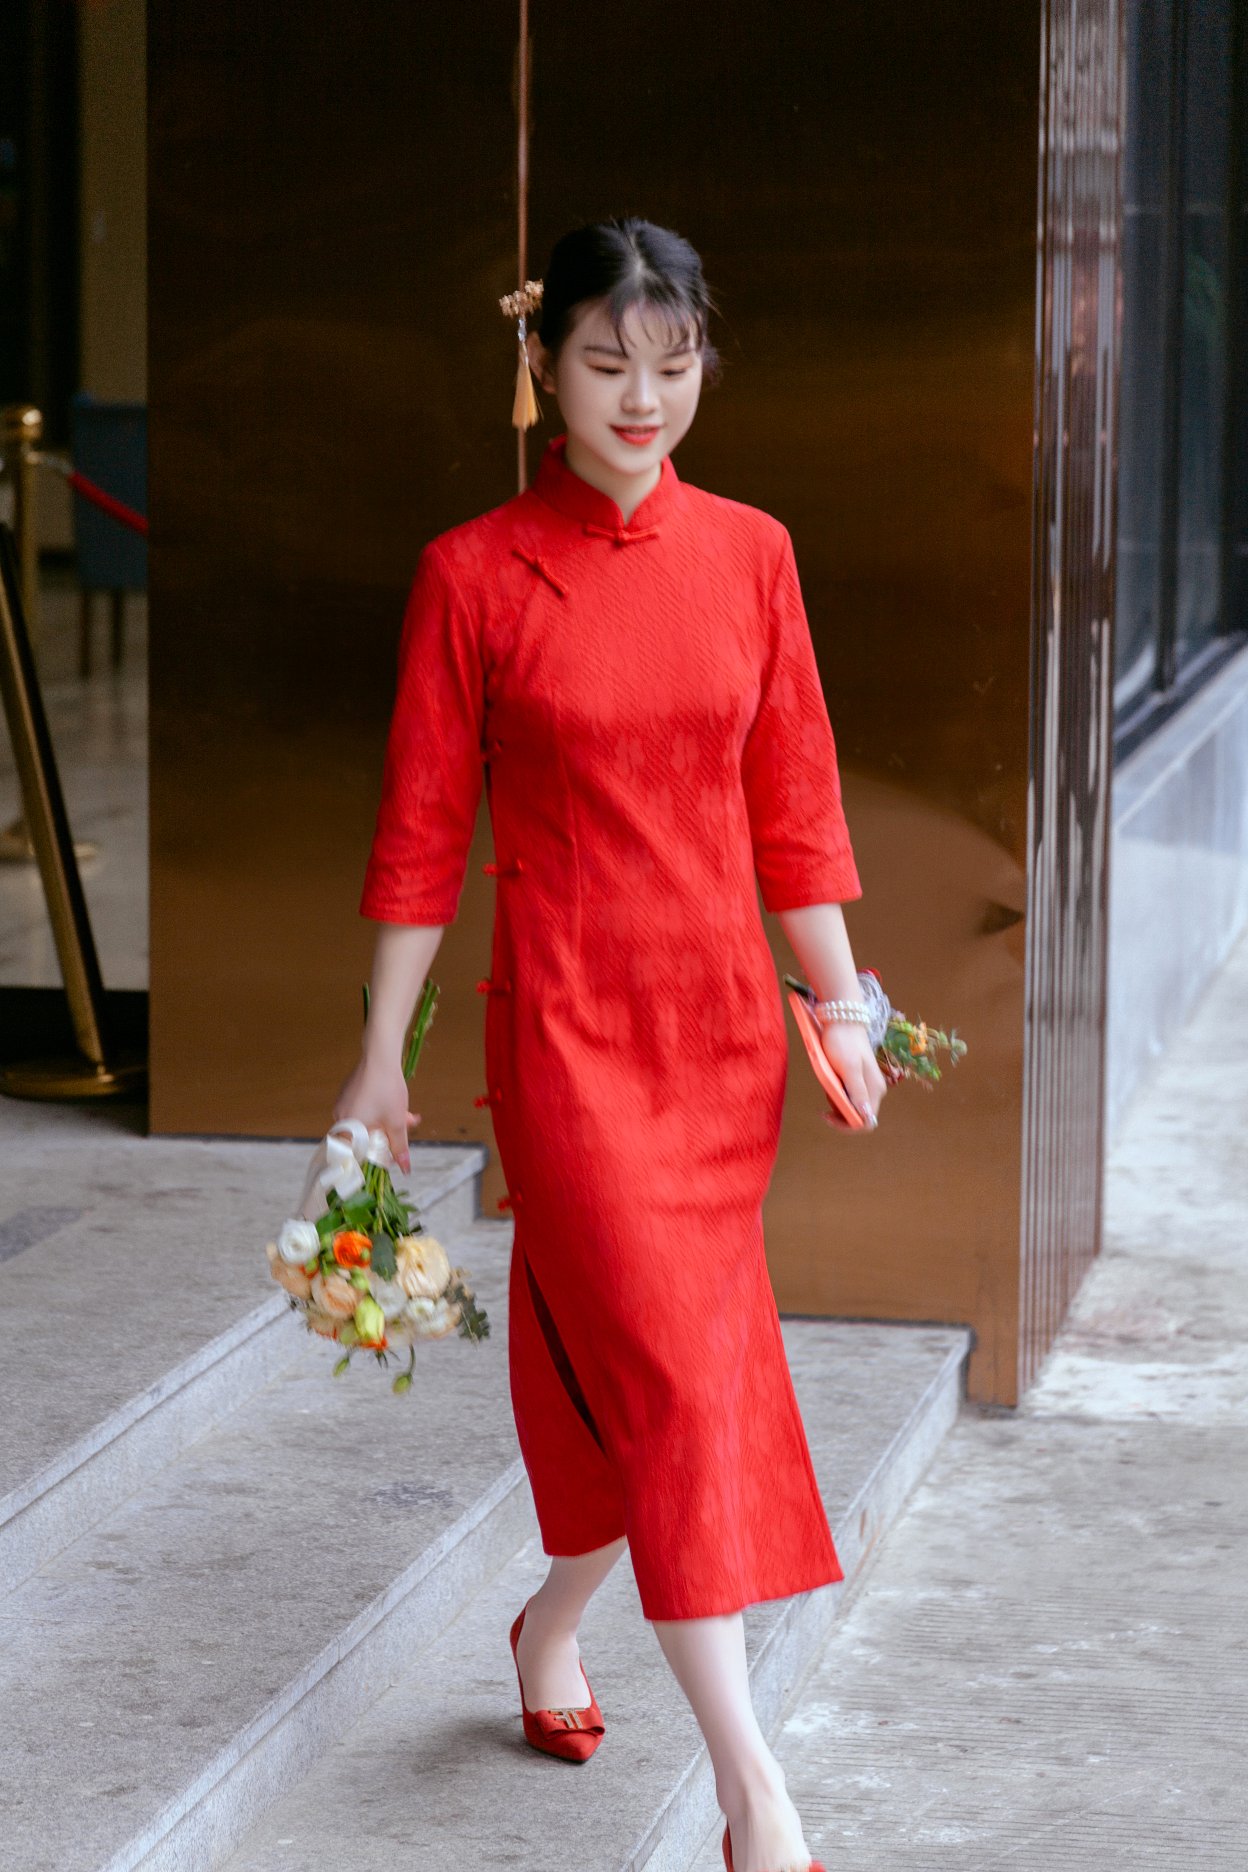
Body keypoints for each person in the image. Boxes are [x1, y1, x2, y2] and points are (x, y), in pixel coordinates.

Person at [334, 216, 888, 1872]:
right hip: (569, 1044)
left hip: (720, 1036)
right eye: (604, 364)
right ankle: (751, 1792)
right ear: (540, 366)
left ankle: (552, 1625)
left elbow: (796, 808)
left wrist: (843, 1004)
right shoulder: (473, 573)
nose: (642, 399)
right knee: (680, 1375)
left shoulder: (754, 553)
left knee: (656, 1384)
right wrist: (380, 1057)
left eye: (673, 364)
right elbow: (421, 838)